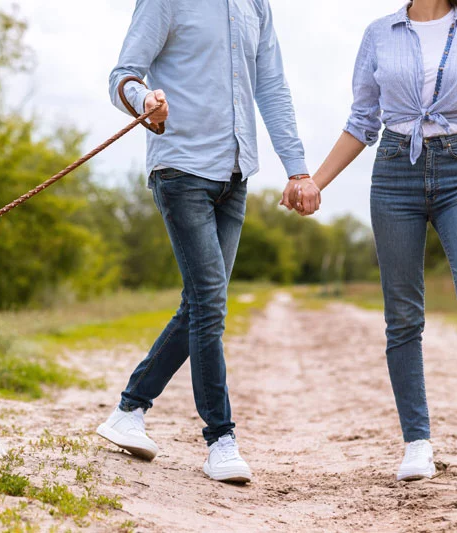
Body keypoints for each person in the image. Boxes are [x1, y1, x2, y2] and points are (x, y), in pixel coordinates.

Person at [289, 0, 457, 480]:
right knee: (404, 314)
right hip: (394, 172)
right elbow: (362, 120)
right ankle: (417, 443)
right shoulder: (379, 33)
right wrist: (316, 183)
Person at [97, 0, 311, 483]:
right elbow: (123, 75)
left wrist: (296, 166)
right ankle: (220, 438)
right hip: (180, 168)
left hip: (234, 172)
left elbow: (272, 87)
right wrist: (144, 101)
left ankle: (128, 412)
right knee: (210, 303)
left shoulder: (257, 6)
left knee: (200, 305)